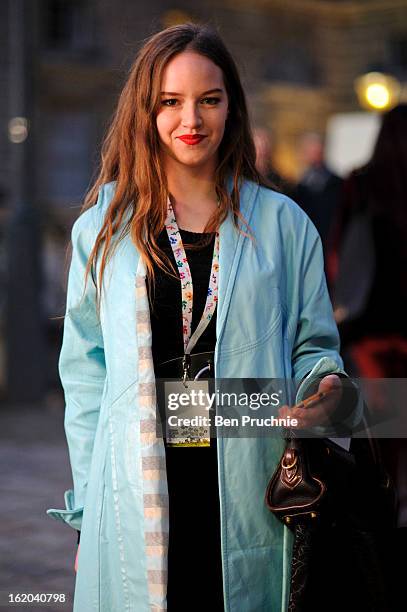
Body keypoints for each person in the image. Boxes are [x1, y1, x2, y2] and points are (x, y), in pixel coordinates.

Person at [46, 23, 360, 611]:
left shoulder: (284, 224)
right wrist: (89, 510)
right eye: (171, 102)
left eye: (209, 100)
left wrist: (326, 385)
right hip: (136, 491)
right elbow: (85, 378)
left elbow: (315, 345)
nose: (191, 119)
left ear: (232, 108)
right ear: (146, 111)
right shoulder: (102, 229)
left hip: (251, 486)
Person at [328, 104, 407, 612]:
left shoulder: (364, 184)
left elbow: (342, 259)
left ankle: (382, 570)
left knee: (383, 464)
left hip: (377, 344)